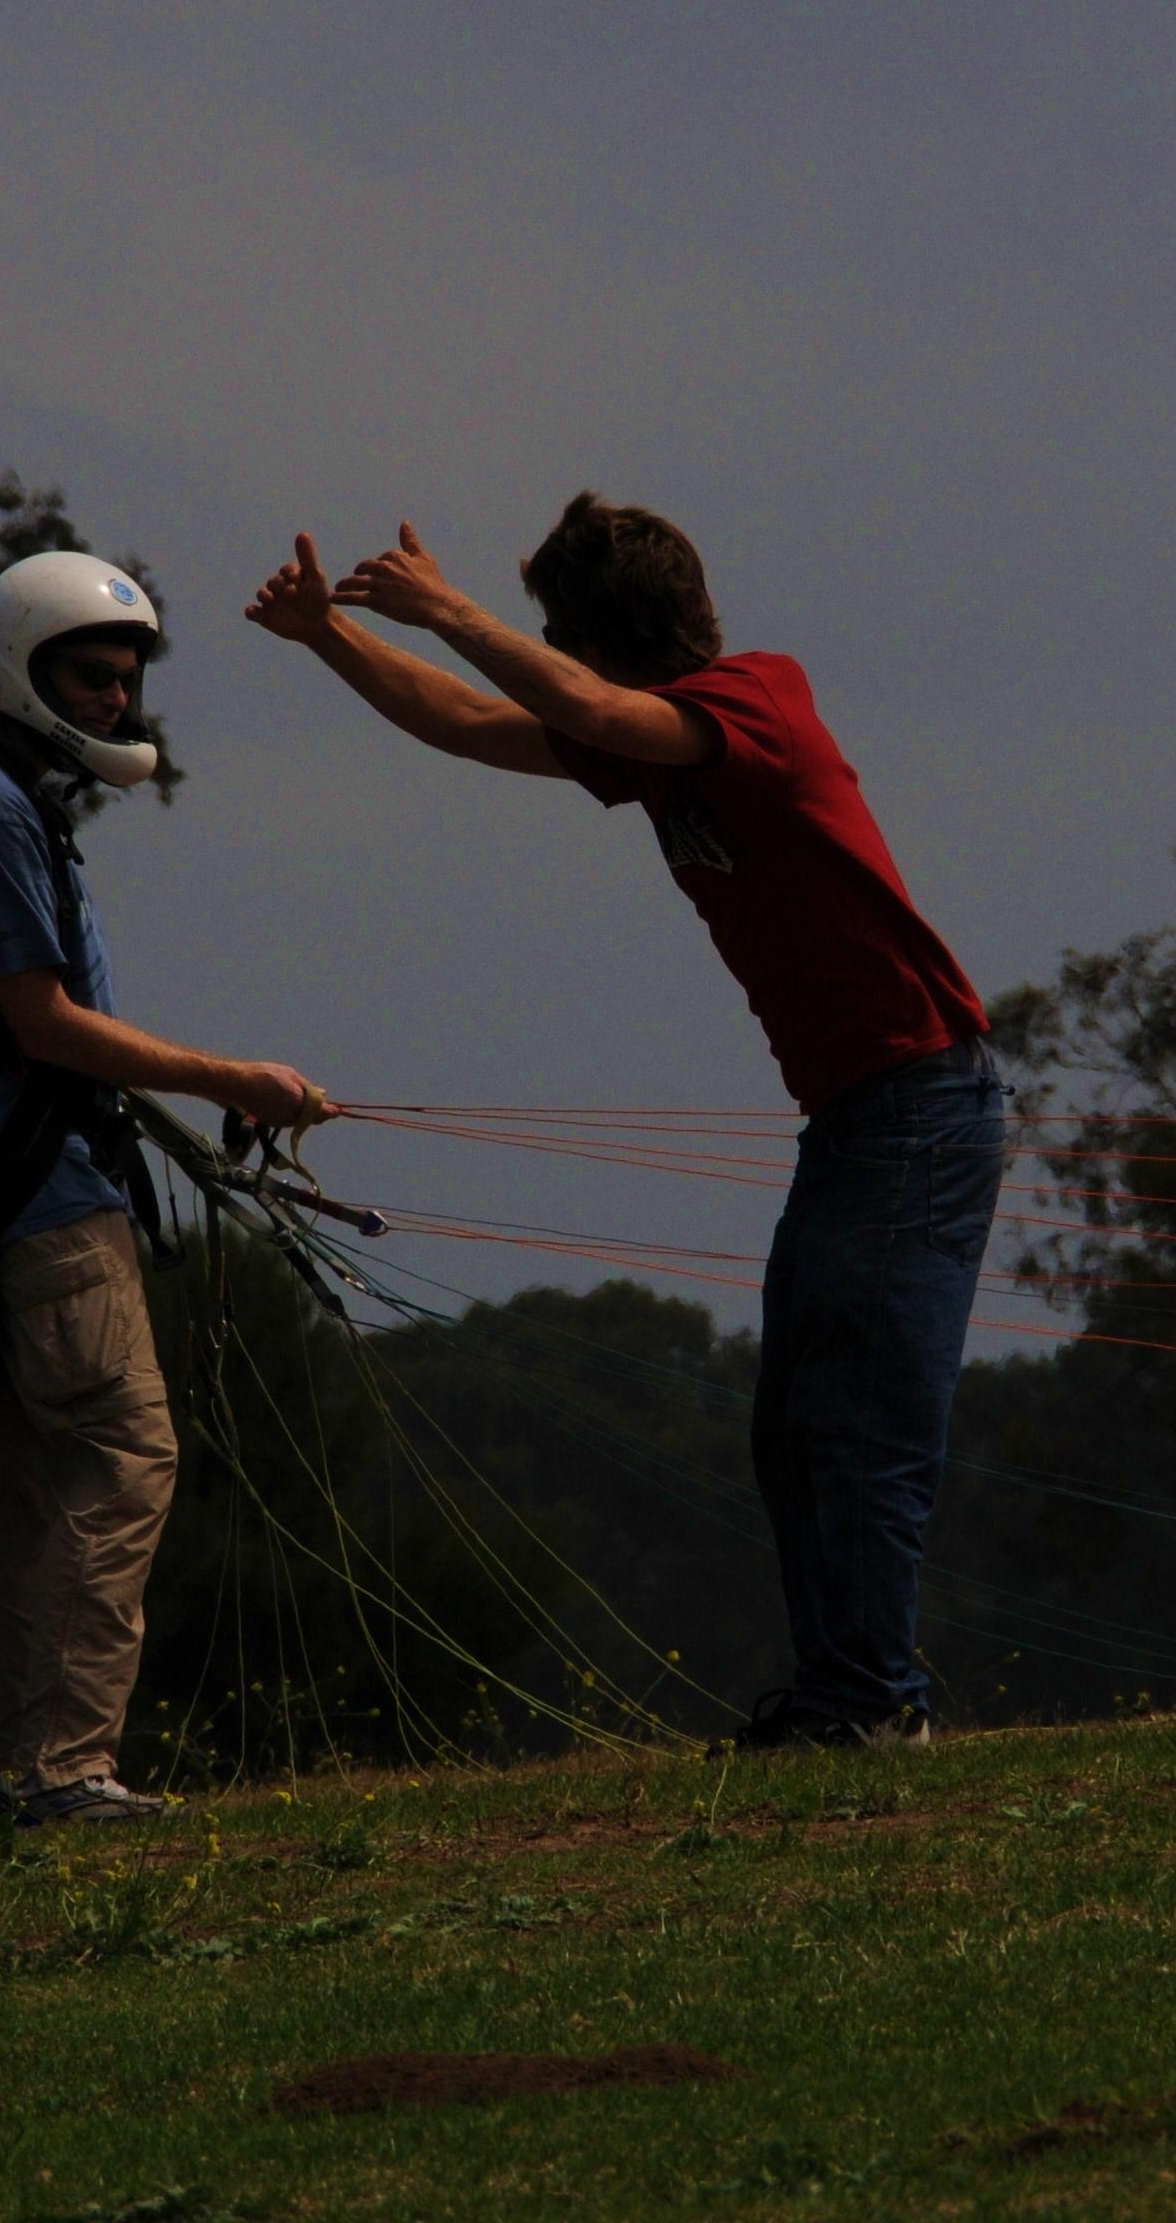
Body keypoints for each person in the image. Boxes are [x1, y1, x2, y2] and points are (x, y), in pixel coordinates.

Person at [248, 499, 1001, 1749]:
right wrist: (333, 638)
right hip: (860, 1120)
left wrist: (450, 612)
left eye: (556, 632)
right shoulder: (656, 746)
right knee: (797, 1429)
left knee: (860, 1423)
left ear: (598, 638)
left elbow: (586, 709)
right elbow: (481, 724)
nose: (548, 650)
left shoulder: (756, 698)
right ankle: (843, 1698)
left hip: (922, 1105)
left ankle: (872, 1706)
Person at [0, 550, 325, 1824]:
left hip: (16, 1185)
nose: (114, 701)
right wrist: (222, 1077)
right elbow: (42, 1022)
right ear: (16, 667)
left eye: (125, 679)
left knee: (38, 1476)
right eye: (89, 675)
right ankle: (66, 1769)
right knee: (123, 1454)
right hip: (35, 1200)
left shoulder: (1, 800)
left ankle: (27, 1771)